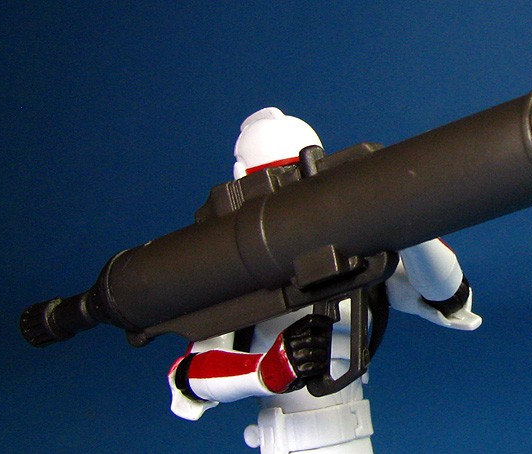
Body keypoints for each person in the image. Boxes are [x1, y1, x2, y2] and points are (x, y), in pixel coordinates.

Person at [167, 107, 481, 453]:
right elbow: (191, 375)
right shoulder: (237, 267)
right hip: (290, 441)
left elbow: (448, 296)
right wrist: (266, 369)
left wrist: (407, 222)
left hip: (356, 437)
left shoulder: (351, 246)